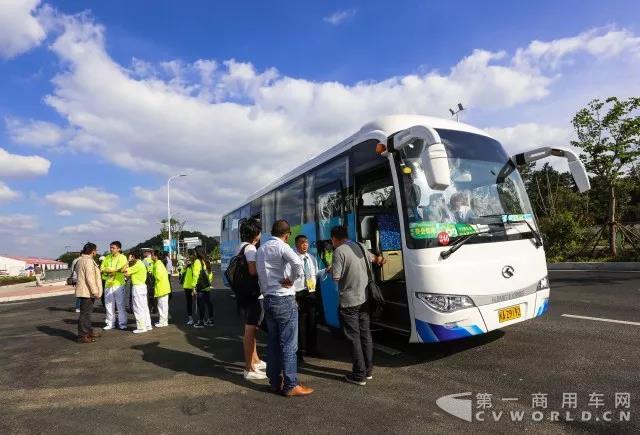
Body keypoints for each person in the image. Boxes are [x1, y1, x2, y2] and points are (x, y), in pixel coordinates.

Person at [256, 219, 312, 397]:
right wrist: (292, 280)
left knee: (272, 343)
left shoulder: (261, 249)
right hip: (283, 299)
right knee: (289, 344)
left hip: (268, 300)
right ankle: (290, 384)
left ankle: (274, 382)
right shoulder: (283, 247)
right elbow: (298, 264)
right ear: (287, 235)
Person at [331, 225, 385, 386]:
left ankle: (358, 374)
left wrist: (331, 269)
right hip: (365, 298)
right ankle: (368, 371)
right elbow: (375, 259)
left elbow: (336, 277)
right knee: (365, 334)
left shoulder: (338, 251)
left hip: (349, 301)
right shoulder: (360, 246)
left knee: (353, 337)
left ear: (334, 238)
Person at [287, 234, 327, 362]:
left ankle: (312, 349)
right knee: (297, 324)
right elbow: (289, 277)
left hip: (310, 292)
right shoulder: (292, 259)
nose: (305, 245)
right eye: (302, 242)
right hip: (297, 293)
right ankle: (297, 353)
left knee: (312, 321)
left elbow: (315, 274)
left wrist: (327, 270)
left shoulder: (311, 258)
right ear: (296, 244)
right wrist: (292, 296)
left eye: (306, 242)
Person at [237, 218, 267, 380]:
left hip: (245, 294)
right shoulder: (250, 249)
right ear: (255, 233)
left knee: (251, 329)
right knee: (251, 331)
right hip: (253, 295)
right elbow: (253, 271)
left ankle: (255, 361)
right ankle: (249, 368)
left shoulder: (241, 247)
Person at [74, 242, 103, 343]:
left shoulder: (80, 260)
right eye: (96, 250)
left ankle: (88, 331)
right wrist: (95, 292)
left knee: (86, 313)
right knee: (85, 314)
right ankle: (83, 335)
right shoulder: (88, 261)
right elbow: (90, 278)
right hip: (87, 291)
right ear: (93, 251)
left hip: (84, 290)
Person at [100, 241, 129, 330]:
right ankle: (110, 323)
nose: (111, 249)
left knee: (120, 305)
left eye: (113, 248)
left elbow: (122, 269)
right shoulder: (107, 257)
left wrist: (109, 269)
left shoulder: (123, 257)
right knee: (108, 304)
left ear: (119, 249)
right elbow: (102, 269)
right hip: (108, 284)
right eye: (110, 247)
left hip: (118, 284)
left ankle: (122, 323)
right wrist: (111, 270)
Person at [125, 251, 153, 333]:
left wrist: (128, 261)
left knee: (138, 308)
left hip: (137, 287)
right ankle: (148, 325)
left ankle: (141, 327)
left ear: (133, 257)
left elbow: (125, 272)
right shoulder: (141, 264)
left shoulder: (137, 265)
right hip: (143, 287)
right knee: (144, 307)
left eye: (131, 257)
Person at [193, 246, 214, 328]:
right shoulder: (206, 260)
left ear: (198, 252)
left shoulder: (197, 261)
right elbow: (210, 273)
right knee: (208, 303)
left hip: (201, 286)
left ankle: (201, 321)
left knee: (200, 304)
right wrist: (208, 282)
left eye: (195, 252)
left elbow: (195, 275)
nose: (194, 253)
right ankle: (211, 320)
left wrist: (193, 286)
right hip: (207, 286)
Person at [152, 250, 171, 327]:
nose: (151, 256)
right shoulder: (159, 263)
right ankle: (164, 321)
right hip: (164, 287)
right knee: (163, 305)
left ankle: (162, 322)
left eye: (152, 255)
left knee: (161, 306)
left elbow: (158, 277)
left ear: (156, 256)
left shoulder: (158, 264)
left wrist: (153, 277)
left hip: (161, 287)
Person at [181, 250, 198, 326]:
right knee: (189, 303)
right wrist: (185, 266)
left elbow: (196, 273)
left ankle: (201, 319)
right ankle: (190, 318)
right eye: (187, 259)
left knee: (199, 302)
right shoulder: (186, 266)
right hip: (187, 287)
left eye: (189, 258)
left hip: (194, 286)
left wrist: (192, 264)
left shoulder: (195, 264)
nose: (188, 260)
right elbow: (181, 273)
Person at [142, 249, 155, 313]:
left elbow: (142, 269)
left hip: (148, 277)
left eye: (145, 252)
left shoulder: (144, 260)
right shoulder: (153, 259)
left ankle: (149, 307)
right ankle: (154, 307)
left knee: (148, 293)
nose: (144, 254)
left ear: (147, 253)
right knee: (153, 293)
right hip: (154, 276)